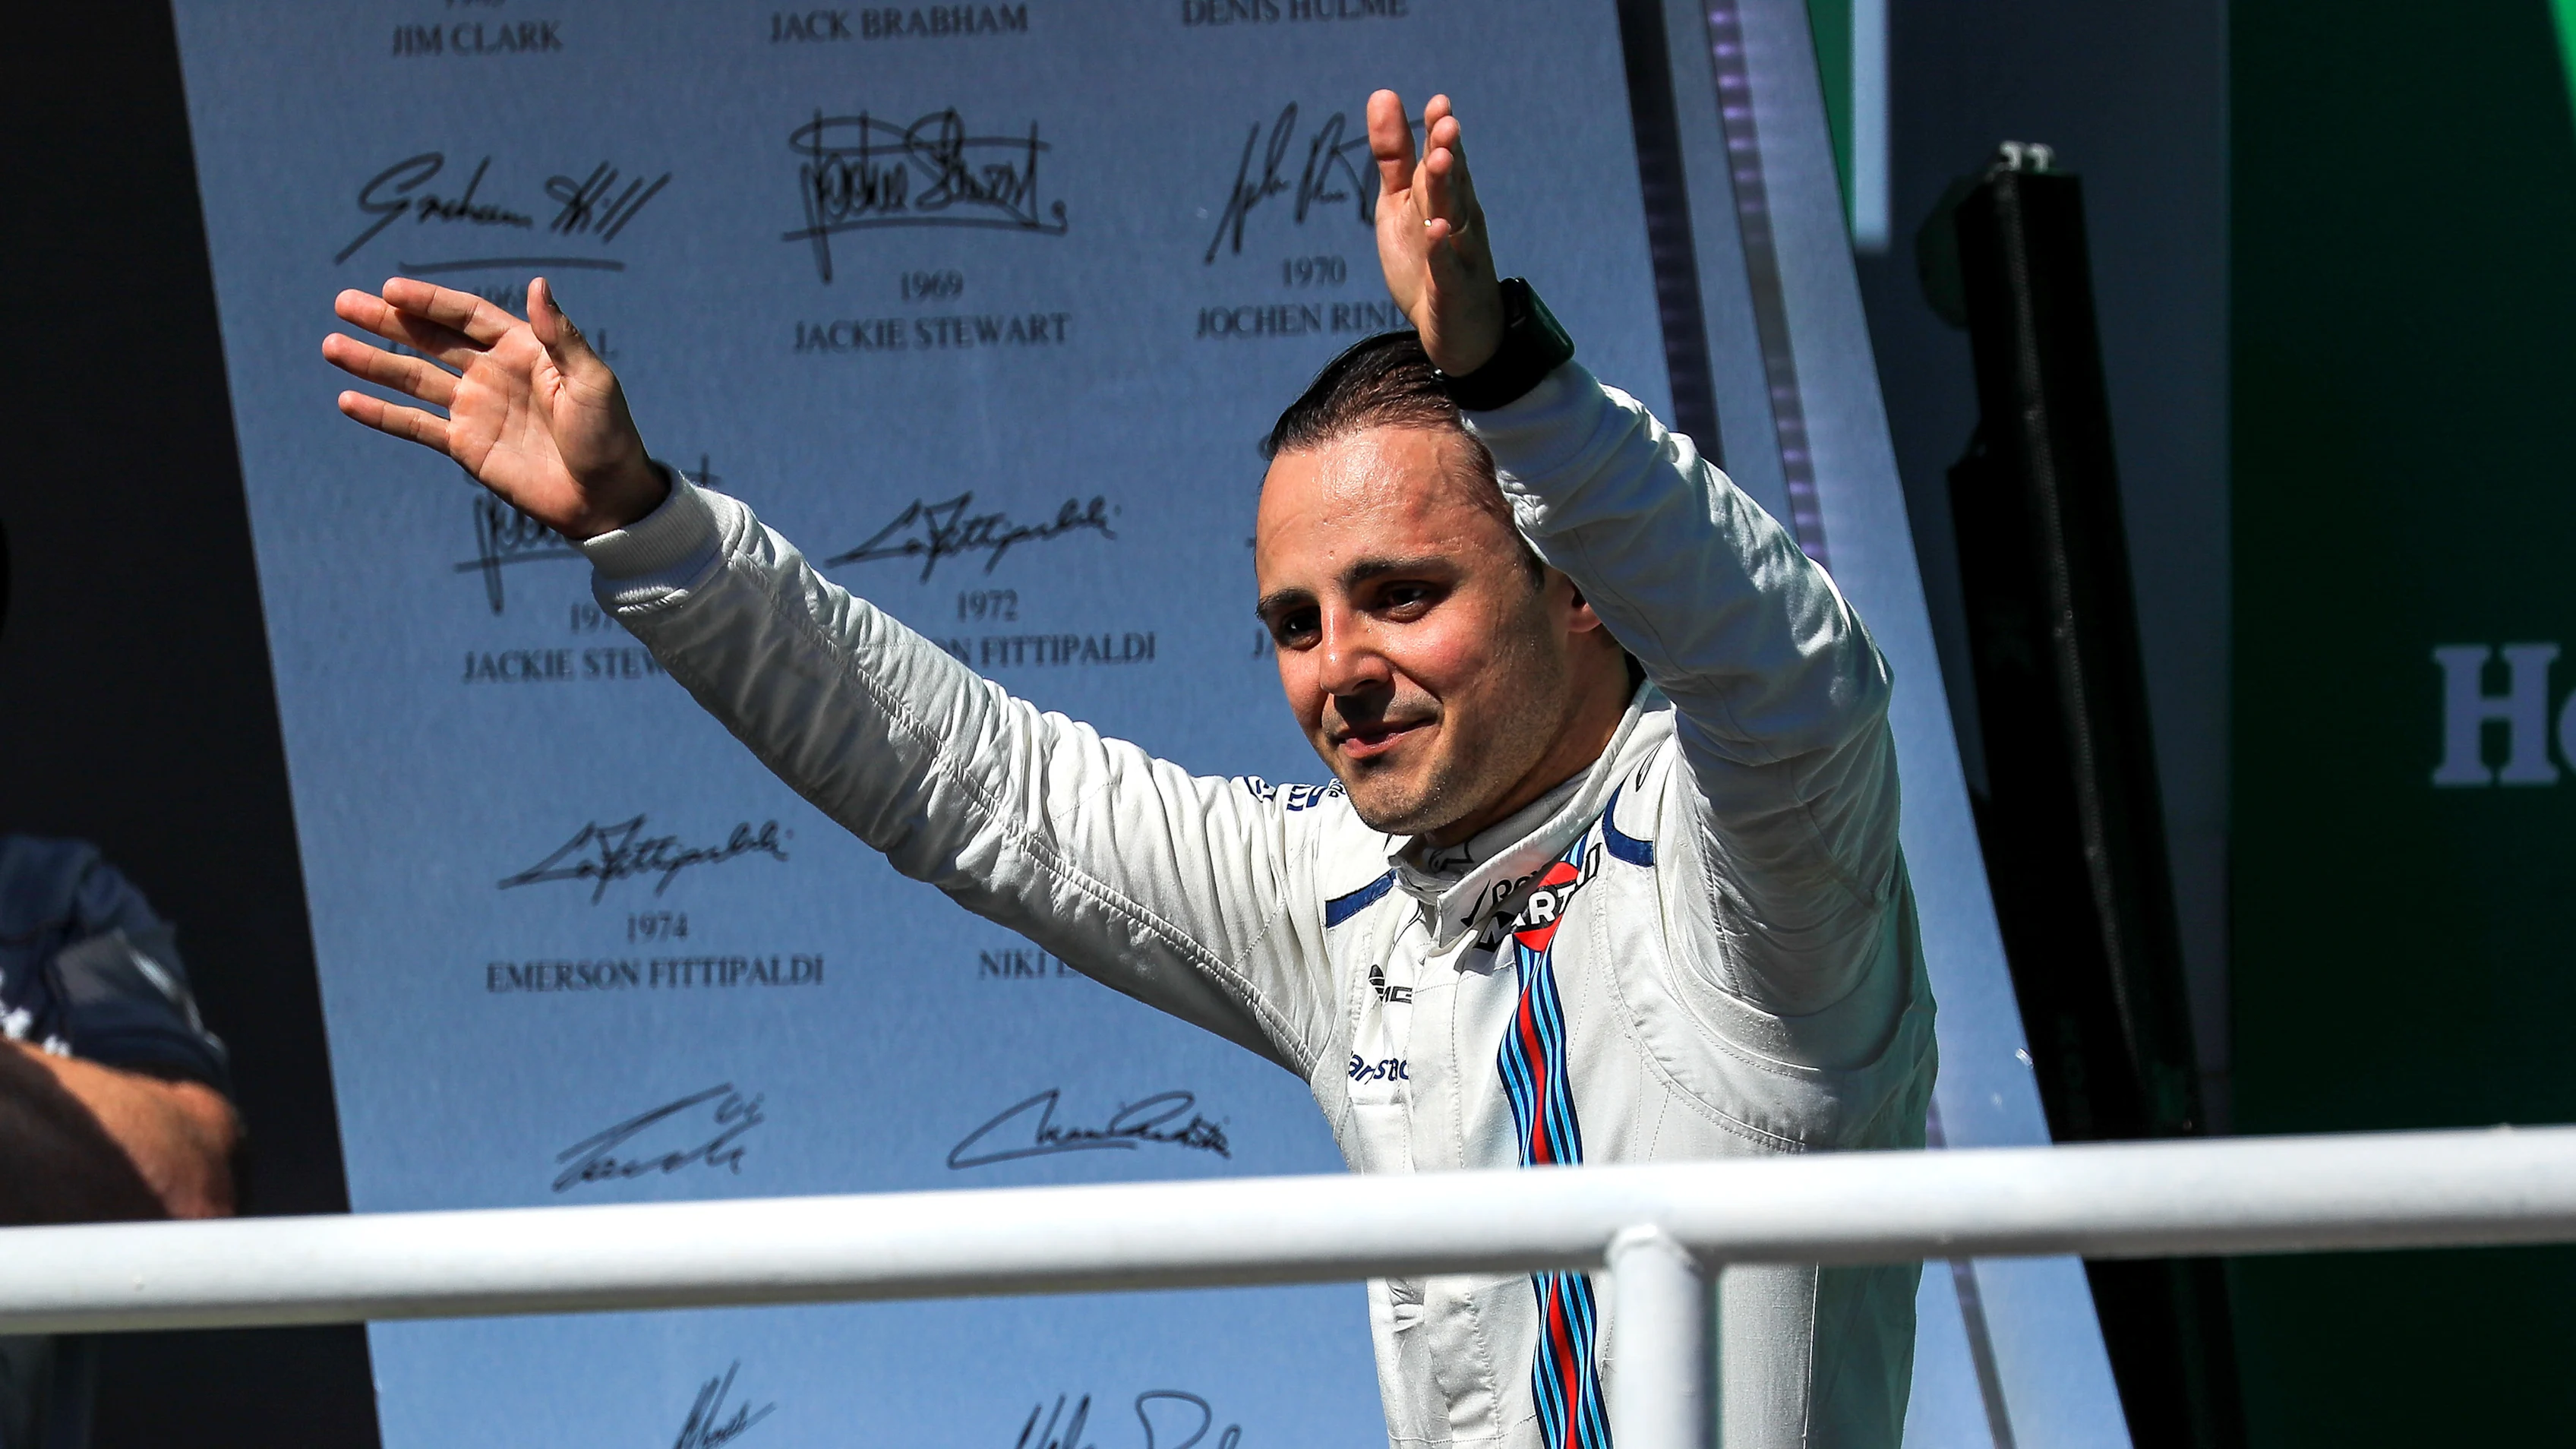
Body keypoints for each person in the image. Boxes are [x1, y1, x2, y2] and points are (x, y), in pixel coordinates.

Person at [323, 91, 1934, 1447]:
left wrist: (1520, 389)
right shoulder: (1341, 893)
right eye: (1293, 623)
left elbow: (1793, 677)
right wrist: (648, 530)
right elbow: (979, 783)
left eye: (1401, 595)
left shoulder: (1756, 865)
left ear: (1584, 587)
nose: (1337, 671)